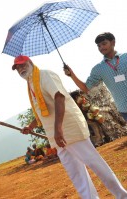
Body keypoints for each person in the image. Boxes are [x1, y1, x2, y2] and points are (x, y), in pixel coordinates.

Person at [12, 55, 127, 198]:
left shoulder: (45, 75)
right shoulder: (30, 83)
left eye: (22, 65)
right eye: (17, 68)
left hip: (68, 129)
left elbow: (59, 97)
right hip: (57, 137)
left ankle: (122, 195)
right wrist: (30, 126)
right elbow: (42, 110)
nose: (21, 69)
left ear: (30, 63)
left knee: (95, 163)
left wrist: (58, 129)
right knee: (76, 173)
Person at [64, 32, 127, 121]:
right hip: (124, 110)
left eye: (104, 44)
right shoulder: (98, 69)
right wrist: (72, 75)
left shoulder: (126, 57)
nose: (101, 48)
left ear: (113, 43)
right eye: (99, 46)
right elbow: (86, 88)